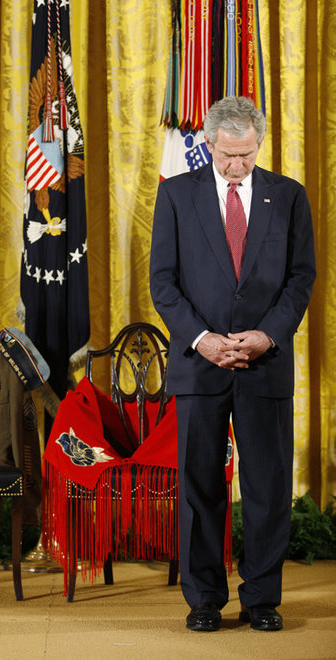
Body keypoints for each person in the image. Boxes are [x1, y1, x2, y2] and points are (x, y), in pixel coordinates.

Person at [150, 96, 316, 632]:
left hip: (264, 365)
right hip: (200, 368)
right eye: (228, 155)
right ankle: (203, 600)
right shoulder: (176, 194)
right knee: (200, 486)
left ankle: (262, 598)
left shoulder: (288, 197)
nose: (237, 166)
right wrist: (202, 340)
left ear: (258, 145)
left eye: (247, 155)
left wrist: (267, 335)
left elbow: (300, 279)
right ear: (210, 144)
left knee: (267, 486)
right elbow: (163, 283)